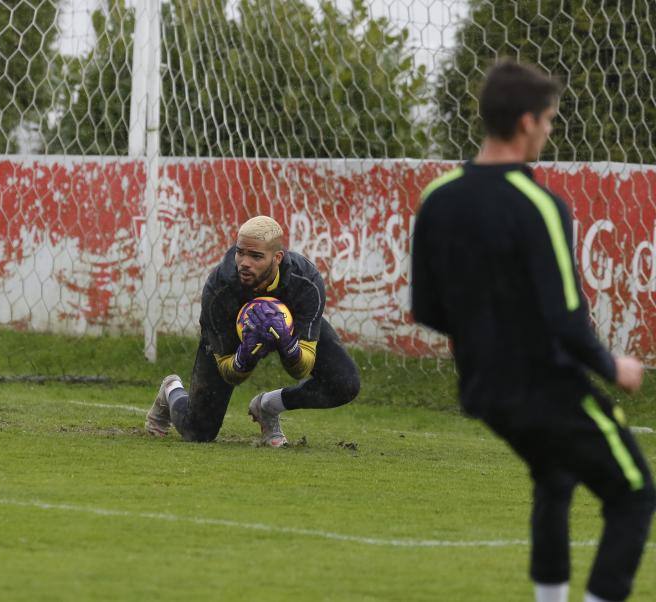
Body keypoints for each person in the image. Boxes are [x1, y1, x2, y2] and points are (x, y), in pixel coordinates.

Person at [411, 60, 654, 602]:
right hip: (546, 388)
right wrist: (615, 366)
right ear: (526, 122)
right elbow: (567, 320)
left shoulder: (438, 197)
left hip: (483, 390)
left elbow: (428, 307)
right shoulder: (541, 205)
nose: (549, 129)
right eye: (548, 119)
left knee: (555, 478)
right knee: (634, 492)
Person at [145, 215, 360, 447]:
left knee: (345, 384)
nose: (244, 262)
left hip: (290, 329)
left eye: (256, 256)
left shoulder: (305, 281)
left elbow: (302, 369)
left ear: (277, 258)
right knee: (199, 432)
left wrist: (289, 344)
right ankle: (171, 389)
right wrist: (243, 357)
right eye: (240, 252)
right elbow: (229, 371)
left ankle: (268, 406)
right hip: (231, 334)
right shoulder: (220, 289)